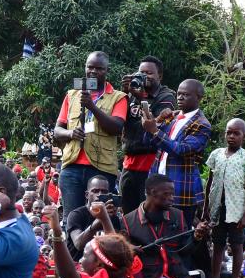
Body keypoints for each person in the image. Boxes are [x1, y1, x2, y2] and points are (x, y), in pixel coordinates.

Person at [125, 174, 209, 278]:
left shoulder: (177, 215)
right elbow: (123, 253)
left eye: (173, 194)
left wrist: (198, 237)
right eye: (167, 194)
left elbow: (185, 250)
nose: (172, 198)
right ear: (151, 192)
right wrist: (130, 249)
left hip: (175, 277)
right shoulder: (129, 221)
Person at [53, 51, 128, 222]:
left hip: (101, 168)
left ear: (106, 70)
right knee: (71, 219)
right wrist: (70, 133)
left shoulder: (118, 97)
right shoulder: (72, 95)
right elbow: (57, 131)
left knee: (101, 218)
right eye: (90, 67)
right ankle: (73, 249)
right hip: (71, 167)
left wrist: (92, 107)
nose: (93, 71)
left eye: (99, 68)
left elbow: (116, 127)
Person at [140, 78, 211, 226]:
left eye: (186, 94)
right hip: (157, 186)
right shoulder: (172, 116)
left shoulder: (202, 124)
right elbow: (149, 142)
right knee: (154, 231)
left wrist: (154, 130)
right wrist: (155, 122)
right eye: (178, 93)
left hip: (180, 190)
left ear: (198, 97)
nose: (180, 97)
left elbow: (181, 150)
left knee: (178, 235)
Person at [203, 118, 245, 278]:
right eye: (229, 132)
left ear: (243, 136)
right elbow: (209, 184)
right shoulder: (216, 154)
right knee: (217, 244)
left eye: (236, 133)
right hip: (217, 208)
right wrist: (205, 209)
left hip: (237, 210)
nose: (231, 136)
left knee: (236, 244)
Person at [119, 56, 177, 213]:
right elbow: (119, 122)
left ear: (160, 76)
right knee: (128, 213)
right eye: (141, 72)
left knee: (148, 212)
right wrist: (124, 94)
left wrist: (140, 99)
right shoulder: (131, 93)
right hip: (129, 162)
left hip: (151, 162)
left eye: (149, 73)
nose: (144, 77)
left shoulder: (166, 96)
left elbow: (155, 125)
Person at [63, 175, 124, 259]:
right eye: (95, 191)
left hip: (102, 266)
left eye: (104, 192)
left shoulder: (113, 218)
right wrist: (101, 218)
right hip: (78, 266)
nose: (99, 195)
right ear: (87, 195)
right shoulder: (76, 215)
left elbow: (115, 248)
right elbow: (78, 244)